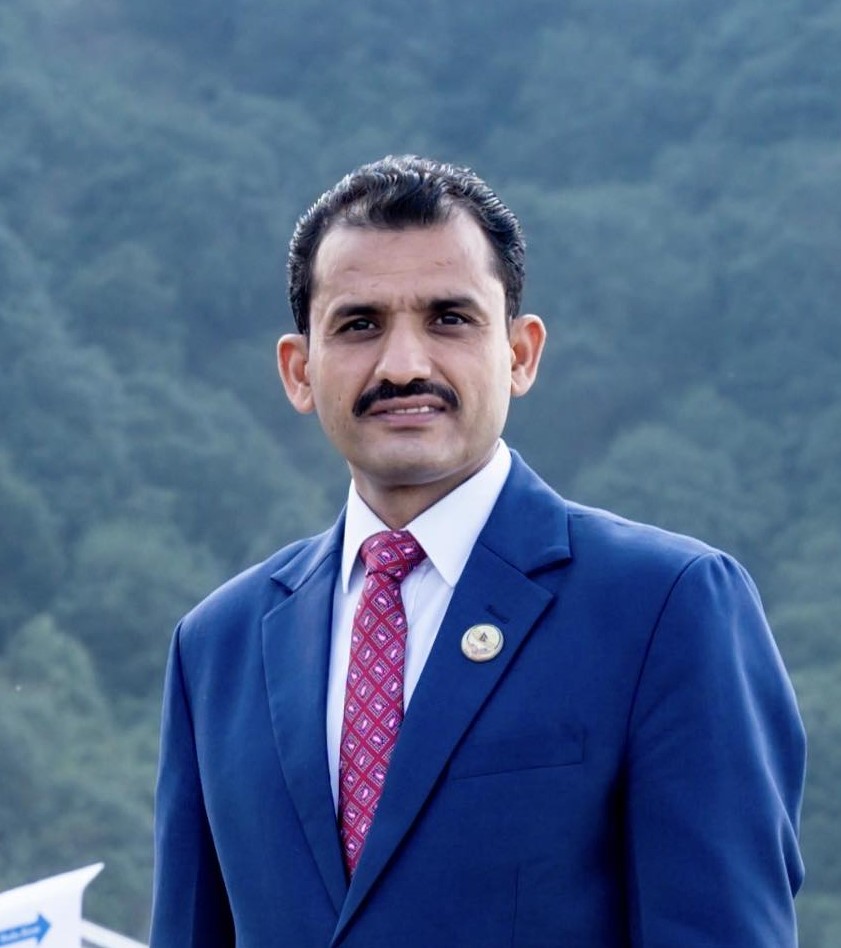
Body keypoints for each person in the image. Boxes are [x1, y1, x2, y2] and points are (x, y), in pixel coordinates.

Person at [150, 155, 805, 947]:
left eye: (449, 319)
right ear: (299, 370)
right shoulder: (216, 647)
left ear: (520, 354)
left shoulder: (663, 607)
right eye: (359, 325)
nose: (403, 366)